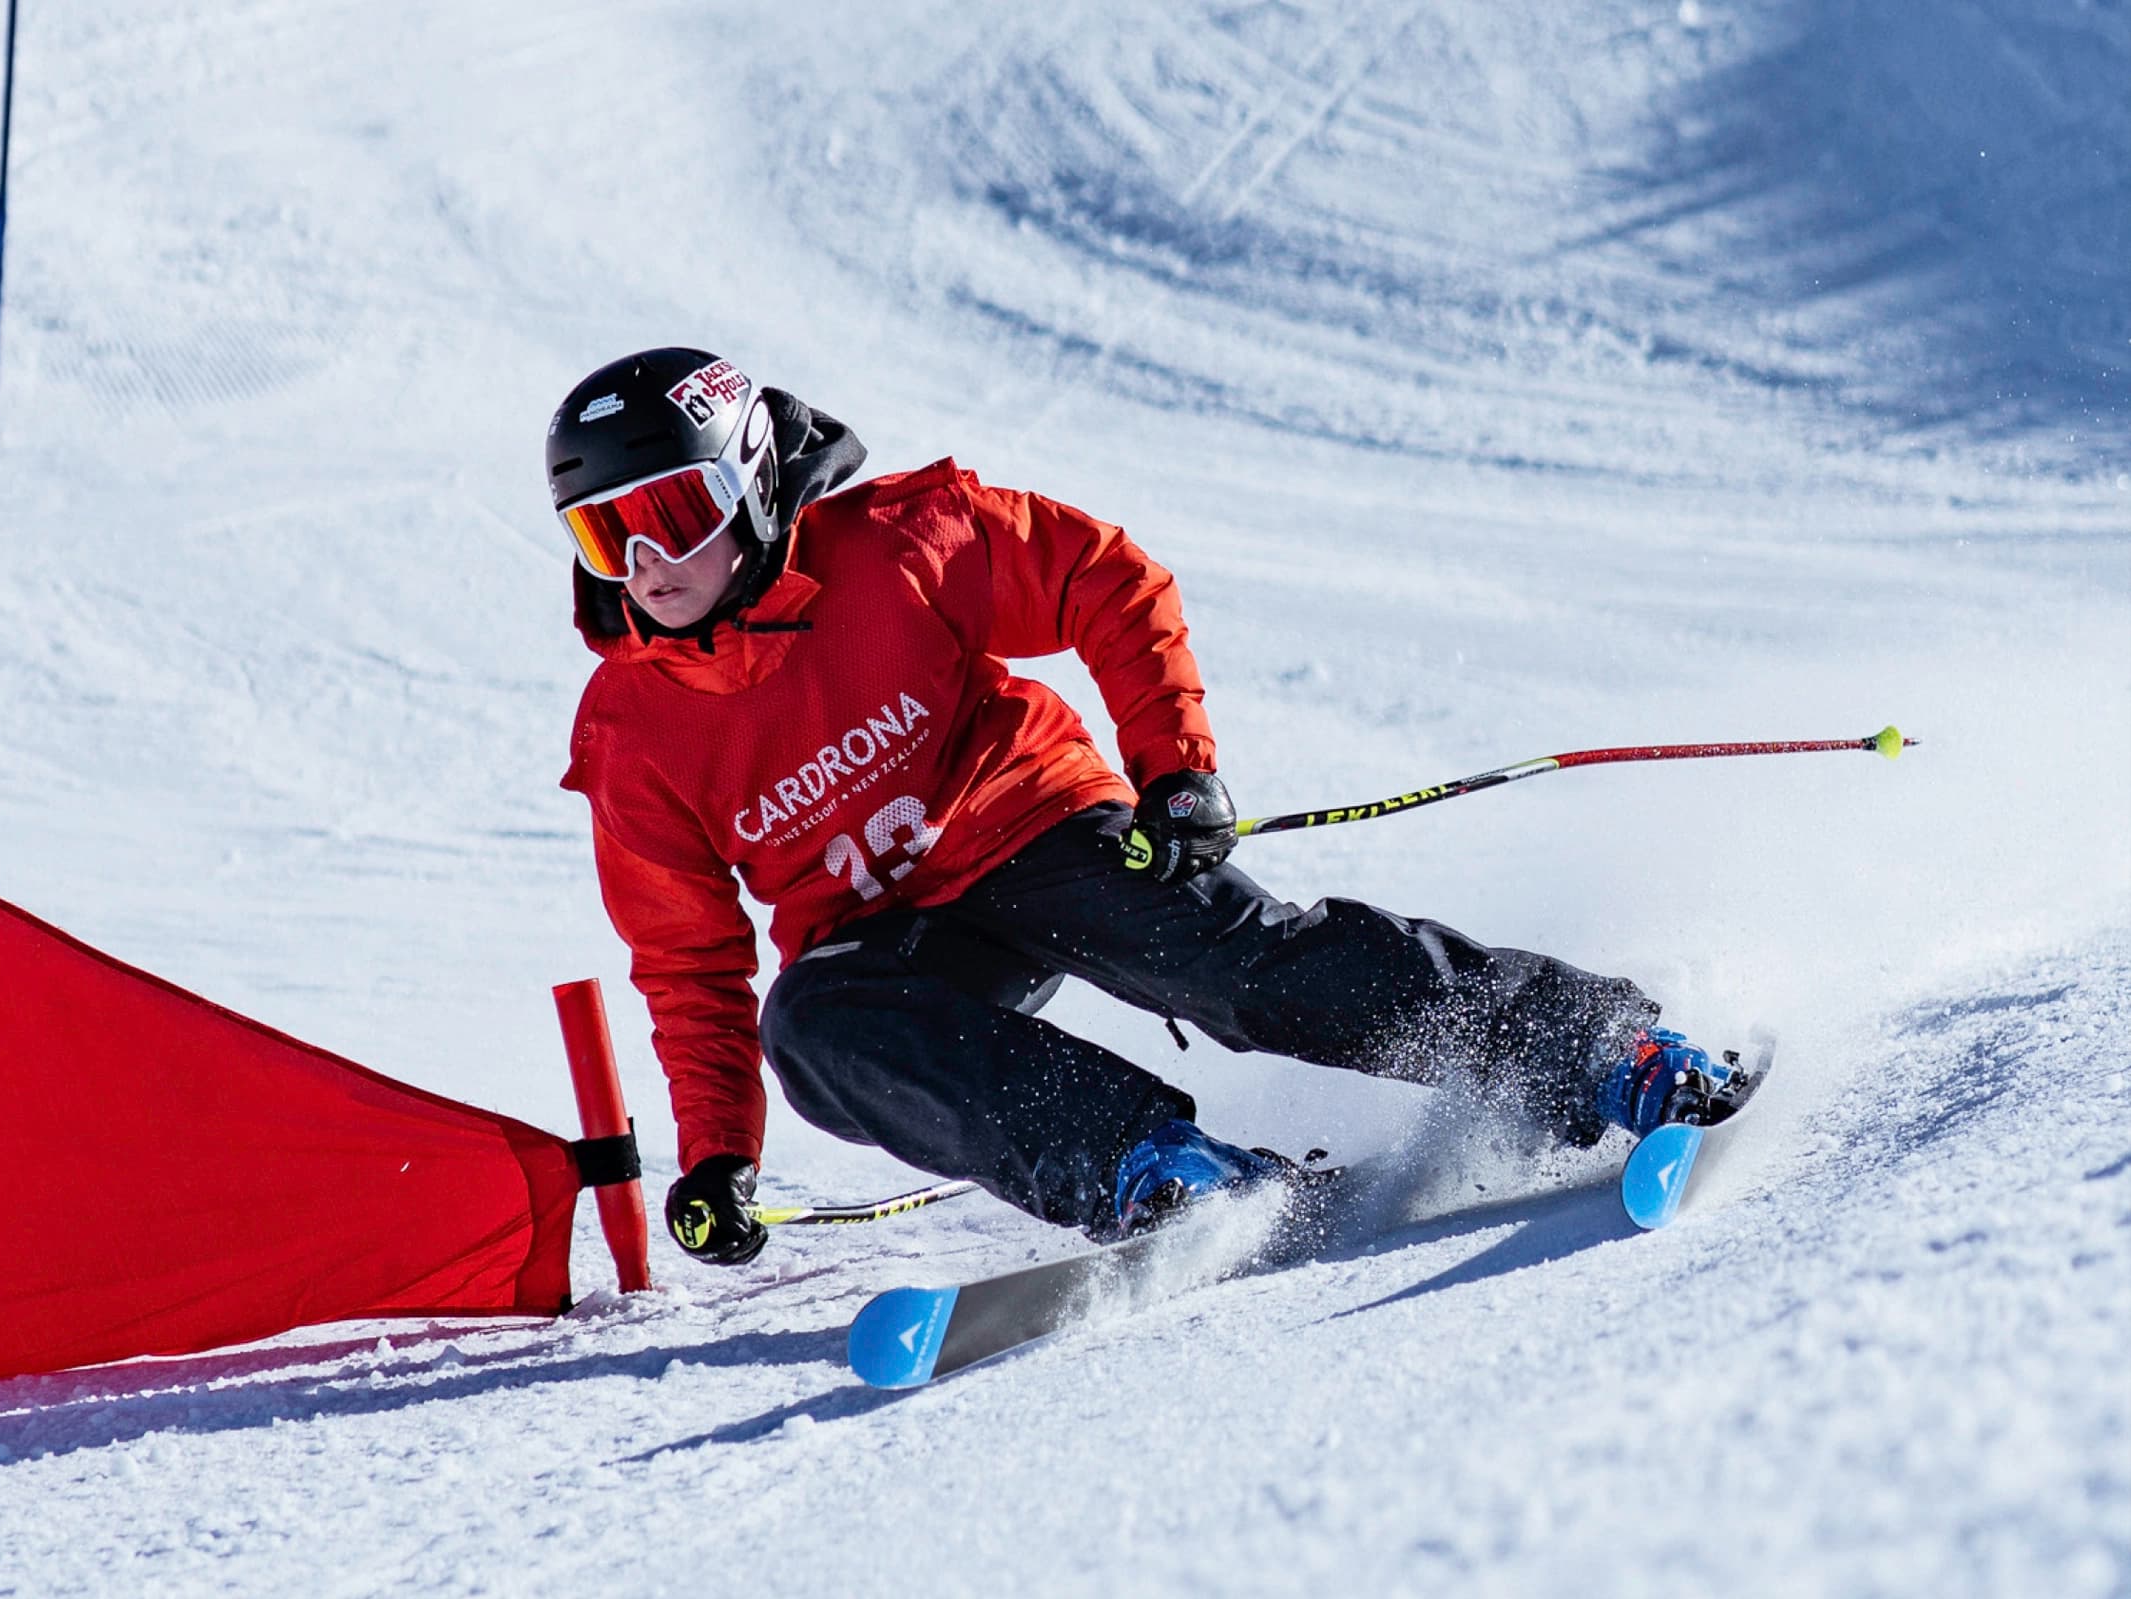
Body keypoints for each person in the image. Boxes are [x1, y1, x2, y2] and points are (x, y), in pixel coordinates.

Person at [547, 348, 1733, 1265]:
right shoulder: (631, 732)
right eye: (606, 534)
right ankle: (1156, 1166)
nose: (645, 565)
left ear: (750, 485)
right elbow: (690, 967)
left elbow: (1102, 577)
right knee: (810, 1028)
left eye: (672, 514)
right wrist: (715, 1158)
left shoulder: (896, 546)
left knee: (1222, 964)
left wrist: (1173, 769)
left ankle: (1592, 1048)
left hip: (1027, 821)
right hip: (891, 948)